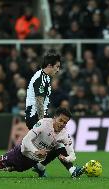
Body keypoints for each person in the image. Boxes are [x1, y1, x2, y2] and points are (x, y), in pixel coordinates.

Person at [0, 108, 83, 178]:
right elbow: (26, 140)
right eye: (60, 120)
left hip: (33, 161)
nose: (62, 124)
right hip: (22, 153)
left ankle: (40, 168)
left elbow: (72, 154)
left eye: (65, 122)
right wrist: (36, 151)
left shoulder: (64, 134)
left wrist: (66, 159)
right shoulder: (43, 124)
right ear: (54, 118)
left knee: (60, 146)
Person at [25, 49, 83, 178]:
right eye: (57, 66)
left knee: (55, 144)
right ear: (49, 66)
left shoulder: (44, 77)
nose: (58, 70)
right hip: (35, 117)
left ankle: (40, 166)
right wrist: (42, 122)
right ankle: (72, 170)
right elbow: (39, 101)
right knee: (58, 142)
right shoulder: (41, 78)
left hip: (37, 116)